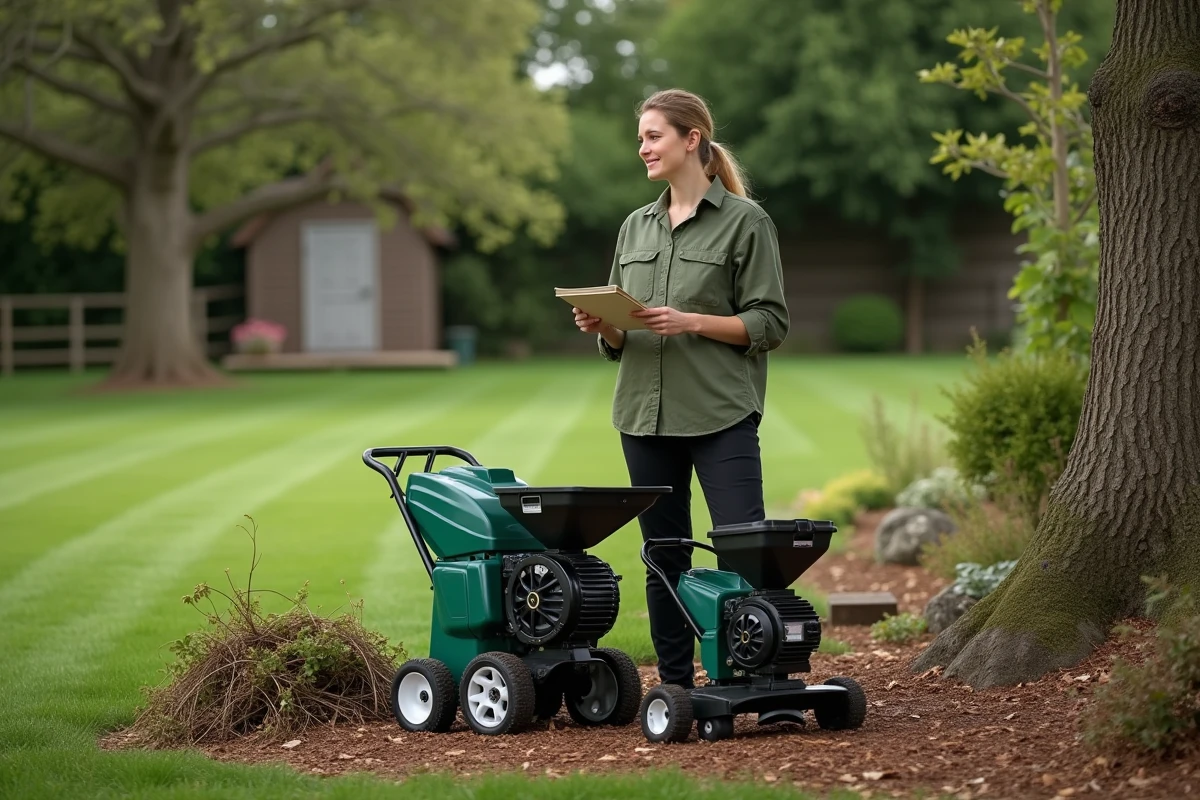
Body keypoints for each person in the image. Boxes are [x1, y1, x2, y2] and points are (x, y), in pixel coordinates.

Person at [572, 88, 790, 690]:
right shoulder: (635, 227)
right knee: (663, 557)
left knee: (742, 550)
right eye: (640, 137)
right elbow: (616, 342)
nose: (641, 147)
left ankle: (753, 679)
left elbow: (770, 324)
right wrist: (605, 323)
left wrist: (692, 320)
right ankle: (674, 686)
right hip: (642, 418)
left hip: (721, 414)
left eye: (652, 136)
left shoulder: (748, 223)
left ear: (691, 139)